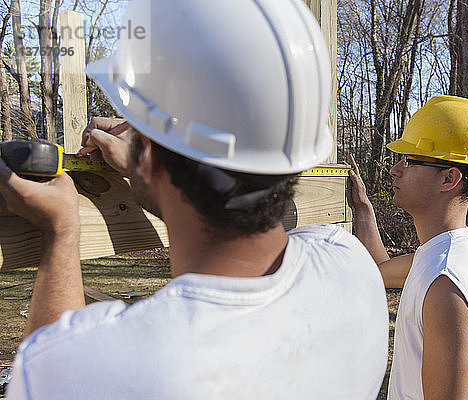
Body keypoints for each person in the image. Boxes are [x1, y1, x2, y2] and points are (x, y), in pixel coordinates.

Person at [2, 0, 389, 398]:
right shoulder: (351, 262)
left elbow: (48, 361)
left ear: (148, 152)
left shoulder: (103, 367)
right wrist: (150, 162)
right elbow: (230, 222)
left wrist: (62, 232)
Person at [349, 95, 468, 399]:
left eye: (409, 160)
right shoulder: (438, 257)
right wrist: (363, 209)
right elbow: (377, 271)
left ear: (449, 178)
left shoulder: (446, 282)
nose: (395, 169)